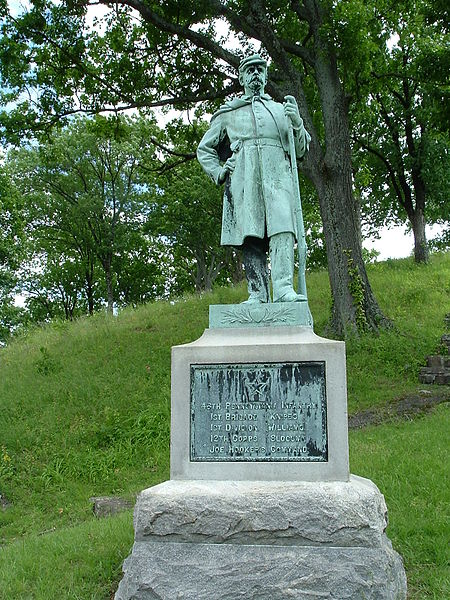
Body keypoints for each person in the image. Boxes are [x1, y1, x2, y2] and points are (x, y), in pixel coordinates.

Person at [197, 53, 311, 303]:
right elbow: (204, 149)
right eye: (250, 70)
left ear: (266, 75)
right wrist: (218, 171)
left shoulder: (282, 111)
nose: (256, 74)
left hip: (278, 179)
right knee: (251, 235)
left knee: (283, 229)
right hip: (244, 181)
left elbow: (300, 150)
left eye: (260, 69)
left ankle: (283, 289)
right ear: (241, 77)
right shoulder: (228, 114)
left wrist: (297, 122)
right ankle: (257, 293)